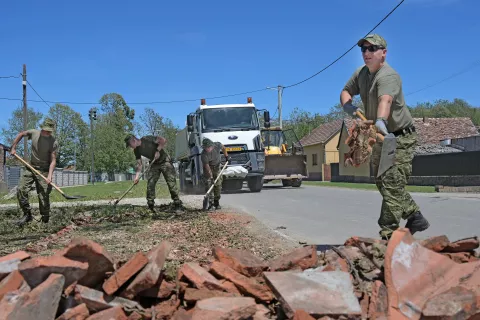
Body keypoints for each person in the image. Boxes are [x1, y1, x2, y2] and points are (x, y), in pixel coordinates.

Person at [340, 34, 430, 240]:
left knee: (391, 182)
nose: (366, 53)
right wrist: (348, 105)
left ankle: (388, 235)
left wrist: (380, 119)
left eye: (372, 48)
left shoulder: (388, 76)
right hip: (379, 136)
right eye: (363, 49)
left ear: (383, 53)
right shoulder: (361, 73)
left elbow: (386, 100)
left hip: (398, 137)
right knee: (382, 181)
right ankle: (415, 216)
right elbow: (346, 90)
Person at [9, 118, 58, 226]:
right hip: (31, 167)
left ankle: (45, 221)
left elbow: (53, 161)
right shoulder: (34, 133)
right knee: (21, 189)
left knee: (43, 195)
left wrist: (49, 176)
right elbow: (21, 134)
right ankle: (27, 215)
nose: (47, 132)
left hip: (44, 170)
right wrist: (13, 147)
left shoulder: (53, 142)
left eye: (49, 131)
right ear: (42, 128)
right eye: (46, 130)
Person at [124, 134, 183, 212]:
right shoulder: (136, 150)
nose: (130, 147)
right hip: (154, 164)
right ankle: (151, 205)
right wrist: (136, 177)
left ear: (134, 140)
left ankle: (177, 204)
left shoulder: (147, 139)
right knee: (150, 184)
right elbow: (139, 164)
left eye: (130, 144)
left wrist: (157, 151)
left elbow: (163, 140)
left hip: (164, 161)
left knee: (171, 183)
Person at [200, 138, 230, 210]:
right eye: (206, 148)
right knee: (209, 185)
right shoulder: (203, 154)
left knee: (218, 184)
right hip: (208, 169)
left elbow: (223, 148)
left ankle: (216, 202)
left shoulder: (217, 145)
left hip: (217, 167)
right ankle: (210, 203)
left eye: (208, 147)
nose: (207, 149)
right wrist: (211, 177)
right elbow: (207, 167)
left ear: (212, 146)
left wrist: (226, 156)